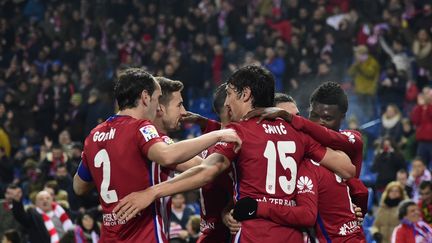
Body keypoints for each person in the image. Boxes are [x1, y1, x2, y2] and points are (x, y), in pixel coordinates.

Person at [113, 65, 355, 242]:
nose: (227, 103)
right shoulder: (297, 133)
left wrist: (152, 192)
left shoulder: (238, 132)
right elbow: (346, 169)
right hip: (293, 236)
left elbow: (208, 171)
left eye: (229, 93)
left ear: (246, 94)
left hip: (254, 234)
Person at [72, 68, 241, 242]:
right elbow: (177, 159)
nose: (158, 106)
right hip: (144, 236)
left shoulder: (95, 134)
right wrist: (218, 134)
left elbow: (79, 186)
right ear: (146, 97)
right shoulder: (141, 128)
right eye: (157, 98)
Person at [238, 82, 367, 242]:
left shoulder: (349, 139)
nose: (320, 122)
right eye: (314, 115)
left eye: (327, 118)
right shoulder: (297, 157)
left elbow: (350, 173)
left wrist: (353, 206)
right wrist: (231, 211)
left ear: (342, 118)